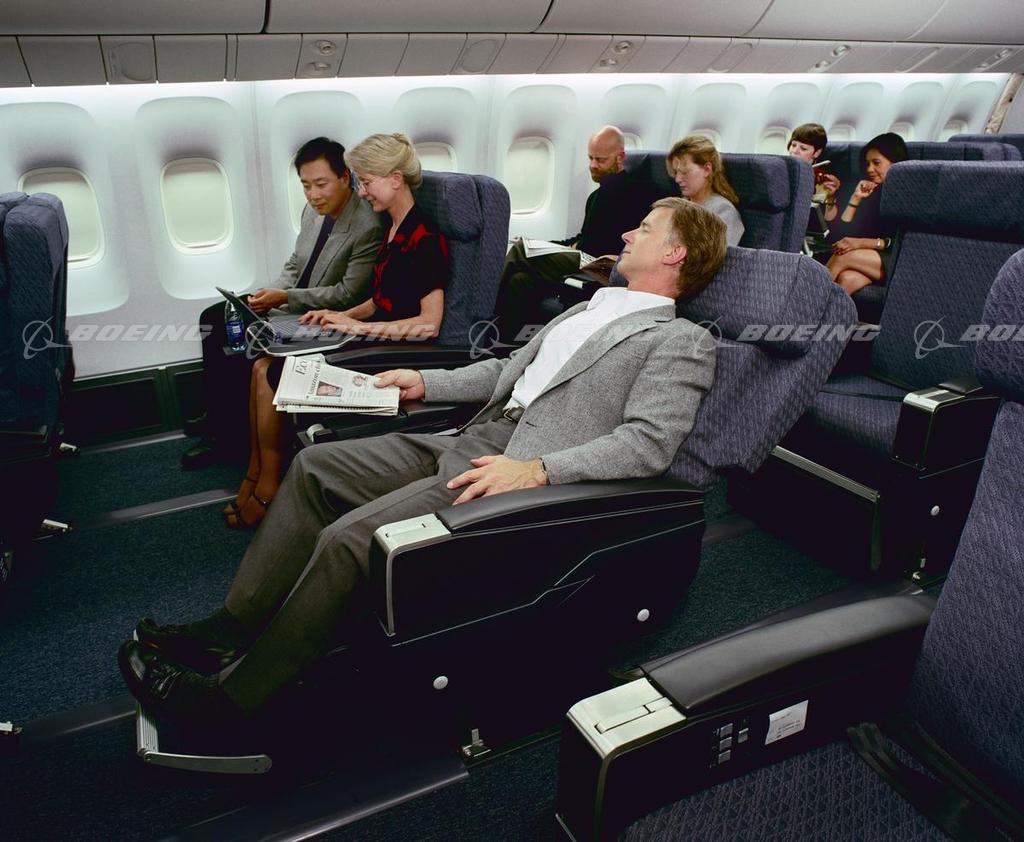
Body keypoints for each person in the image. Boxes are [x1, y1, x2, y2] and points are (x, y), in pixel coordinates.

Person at [118, 197, 728, 723]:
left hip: (514, 468)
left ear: (675, 254)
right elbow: (507, 372)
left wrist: (538, 470)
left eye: (645, 229)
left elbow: (649, 442)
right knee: (314, 468)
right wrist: (425, 382)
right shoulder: (586, 308)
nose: (627, 234)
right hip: (475, 433)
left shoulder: (681, 340)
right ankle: (232, 629)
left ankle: (235, 701)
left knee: (352, 538)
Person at [223, 132, 449, 529]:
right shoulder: (394, 228)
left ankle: (269, 487)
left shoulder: (424, 238)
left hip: (394, 349)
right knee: (261, 365)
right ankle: (255, 473)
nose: (361, 192)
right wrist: (340, 315)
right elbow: (380, 300)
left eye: (367, 182)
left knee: (274, 372)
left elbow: (429, 325)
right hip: (368, 333)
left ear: (396, 179)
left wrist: (359, 327)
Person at [183, 137, 384, 470]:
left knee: (246, 343)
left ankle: (226, 436)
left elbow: (347, 294)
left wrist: (286, 298)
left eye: (321, 184)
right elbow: (295, 263)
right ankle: (218, 413)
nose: (313, 194)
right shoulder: (313, 213)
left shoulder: (367, 226)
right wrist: (268, 293)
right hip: (292, 303)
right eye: (305, 185)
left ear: (344, 178)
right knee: (214, 318)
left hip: (323, 316)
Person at [494, 125, 663, 341]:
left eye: (601, 160)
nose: (593, 165)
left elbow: (594, 244)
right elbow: (582, 238)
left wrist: (555, 248)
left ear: (620, 158)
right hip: (586, 258)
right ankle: (508, 341)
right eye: (590, 158)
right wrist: (545, 242)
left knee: (521, 251)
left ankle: (482, 318)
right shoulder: (596, 196)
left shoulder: (634, 191)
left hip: (606, 265)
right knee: (521, 278)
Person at [823, 132, 907, 295]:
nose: (870, 169)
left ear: (896, 163)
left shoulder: (907, 192)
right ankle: (829, 313)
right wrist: (855, 198)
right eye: (867, 164)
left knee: (843, 256)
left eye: (876, 163)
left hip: (899, 258)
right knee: (847, 279)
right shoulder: (870, 190)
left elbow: (903, 241)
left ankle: (801, 305)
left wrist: (861, 243)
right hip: (871, 258)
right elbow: (842, 234)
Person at [666, 135, 745, 247]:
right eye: (676, 172)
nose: (677, 179)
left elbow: (718, 255)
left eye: (684, 172)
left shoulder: (724, 212)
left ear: (707, 170)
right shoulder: (679, 206)